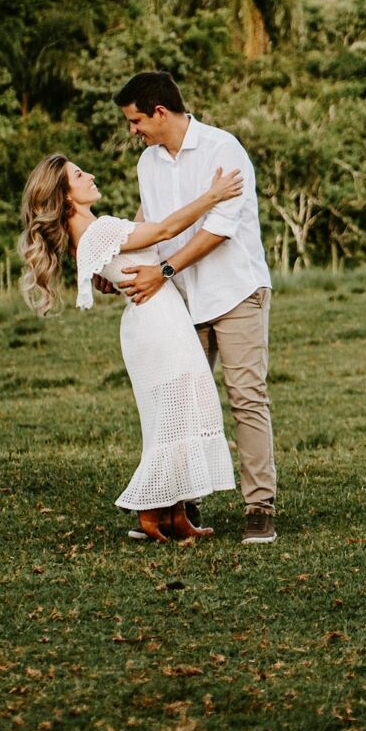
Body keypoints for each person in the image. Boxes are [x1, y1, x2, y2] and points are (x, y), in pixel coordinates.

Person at [17, 154, 242, 541]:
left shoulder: (89, 231)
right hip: (157, 323)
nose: (90, 175)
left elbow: (136, 237)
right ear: (66, 196)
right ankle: (150, 512)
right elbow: (163, 230)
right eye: (78, 174)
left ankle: (177, 517)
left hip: (159, 319)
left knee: (178, 412)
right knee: (175, 412)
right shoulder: (97, 229)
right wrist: (213, 195)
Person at [111, 72, 280, 545]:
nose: (133, 130)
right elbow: (150, 225)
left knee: (246, 396)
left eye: (136, 120)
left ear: (160, 112)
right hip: (183, 298)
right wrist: (119, 268)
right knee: (180, 401)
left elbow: (219, 229)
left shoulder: (223, 150)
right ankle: (181, 502)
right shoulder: (148, 163)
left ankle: (259, 506)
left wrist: (162, 272)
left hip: (235, 291)